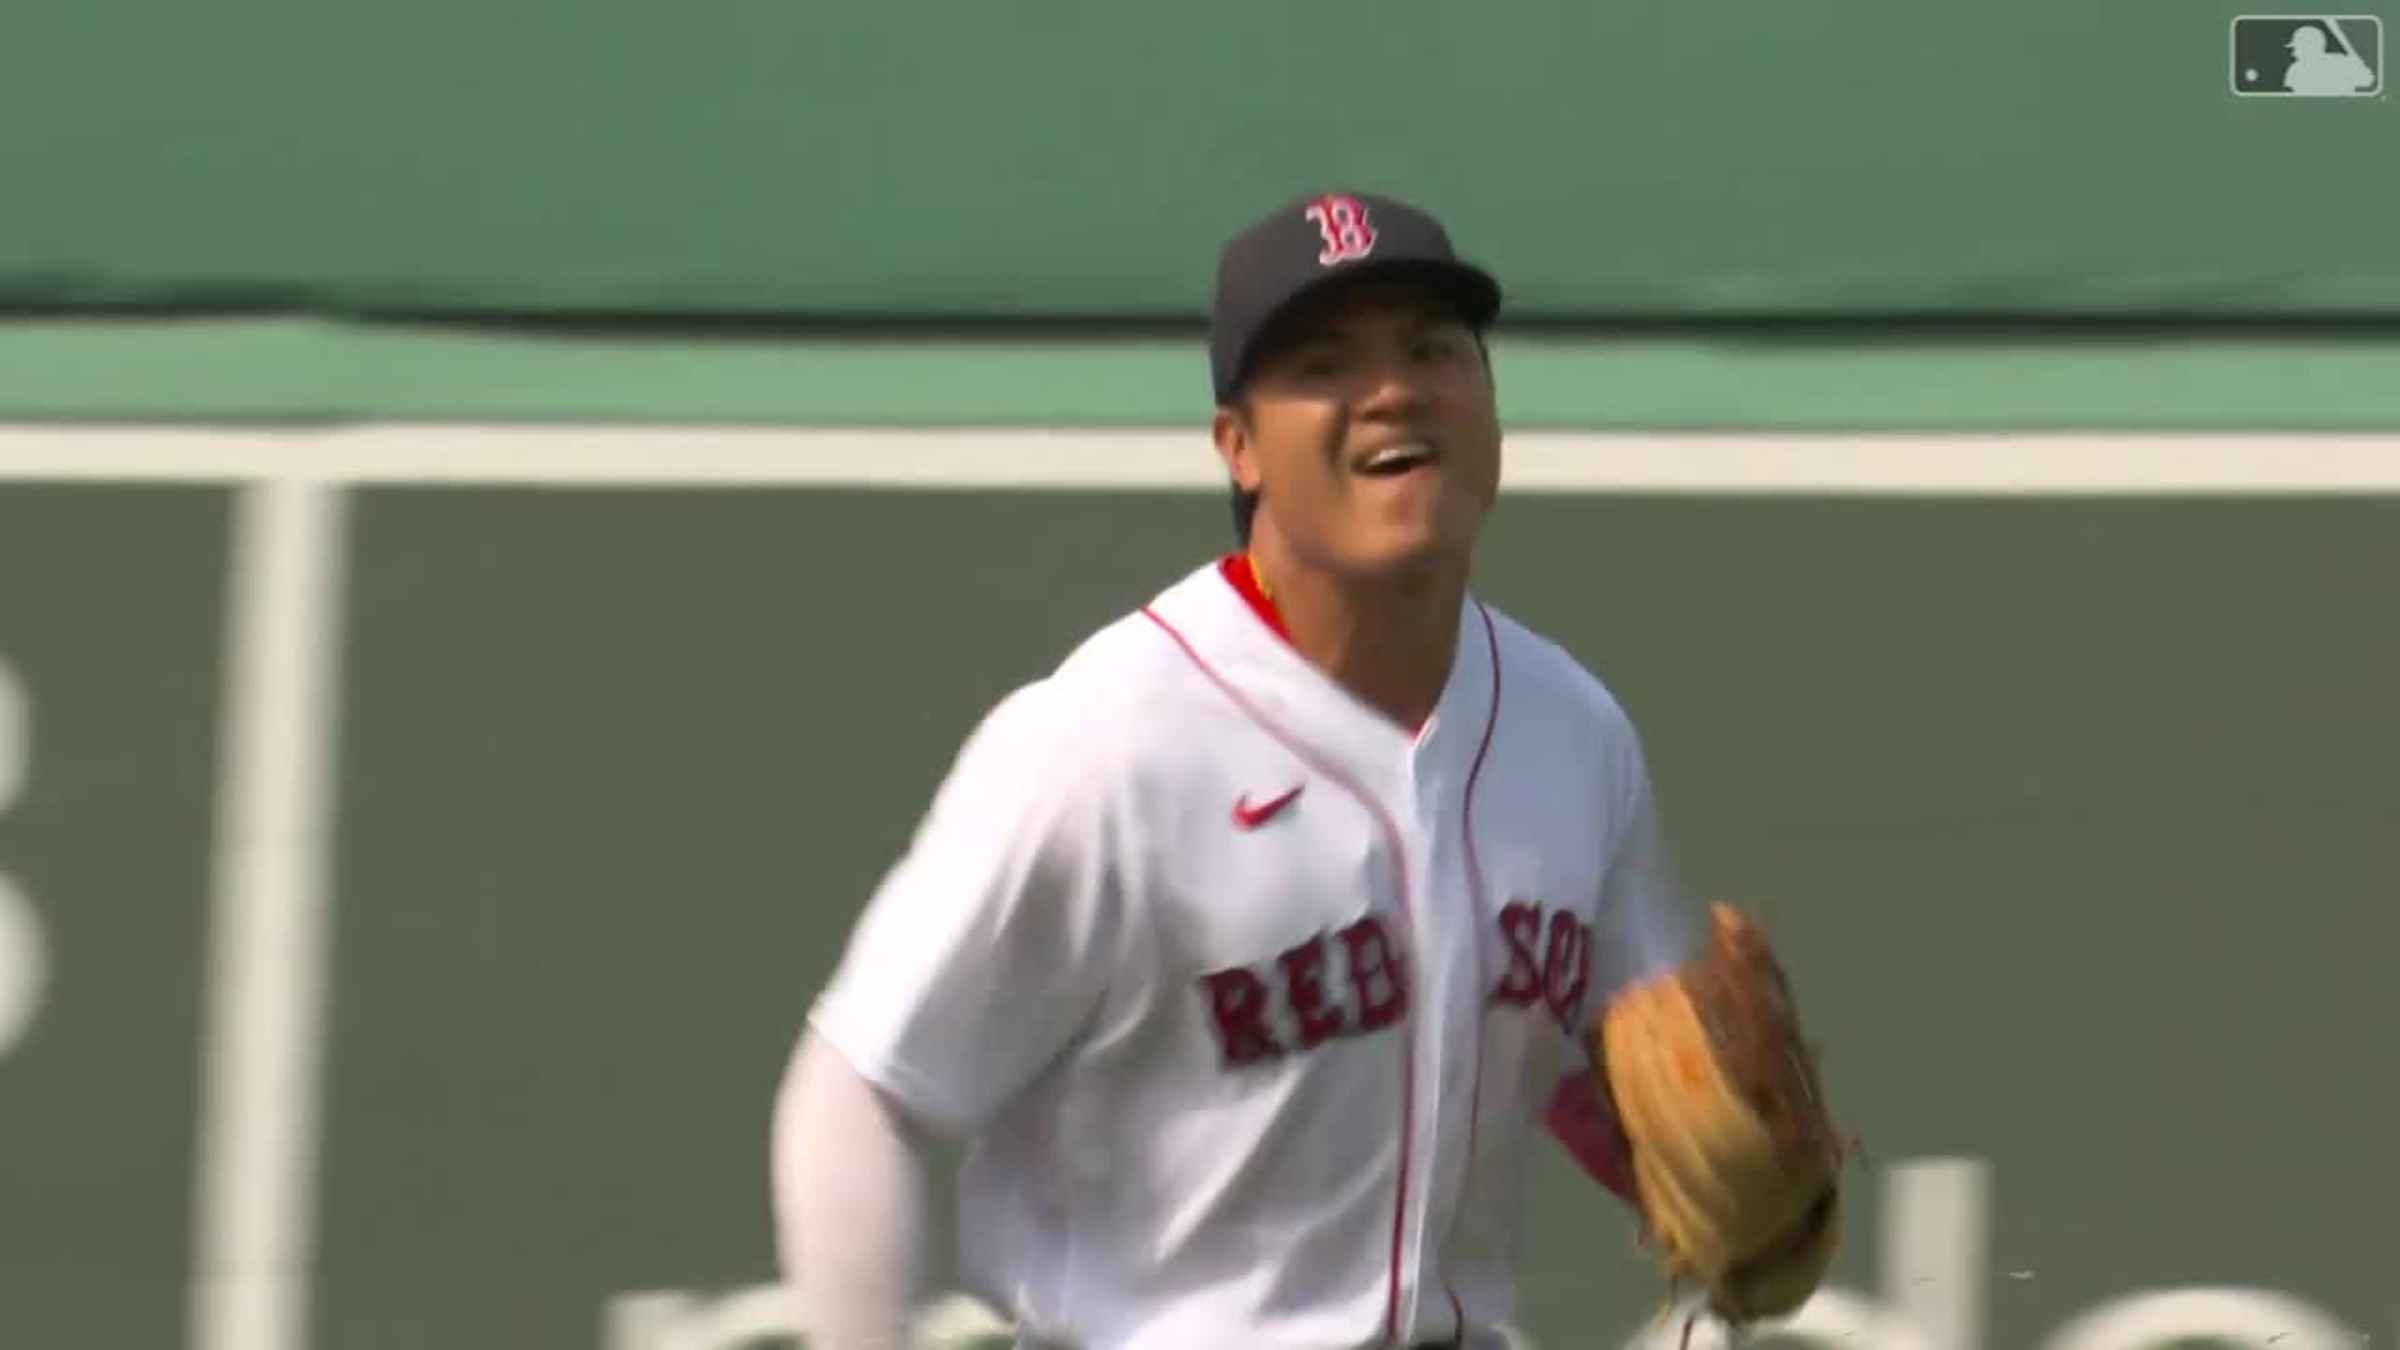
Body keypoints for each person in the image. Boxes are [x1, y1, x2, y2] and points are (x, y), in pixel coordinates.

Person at [770, 190, 1701, 1350]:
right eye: (1324, 363)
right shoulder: (1109, 742)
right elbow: (865, 1083)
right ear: (1239, 447)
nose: (1395, 389)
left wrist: (1717, 1190)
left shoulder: (1574, 732)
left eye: (1432, 348)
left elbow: (1637, 1087)